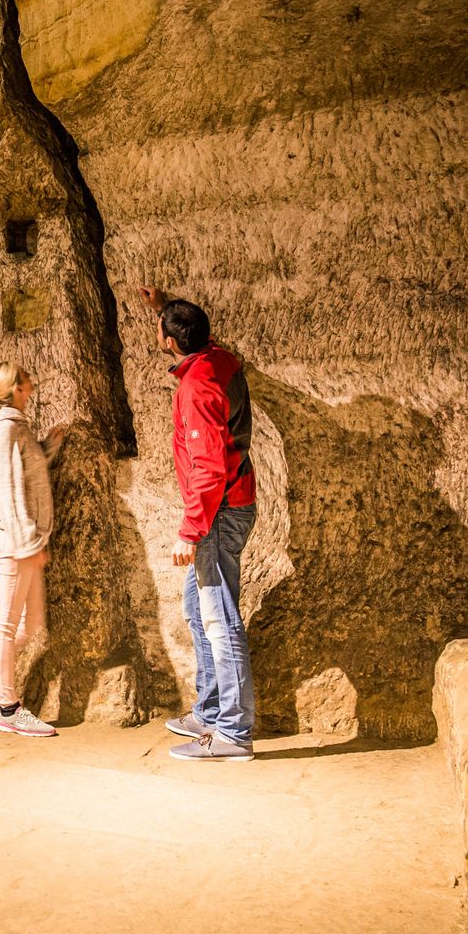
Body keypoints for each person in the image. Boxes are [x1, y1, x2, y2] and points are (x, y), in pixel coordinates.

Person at [139, 287, 259, 761]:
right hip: (226, 505)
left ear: (170, 342)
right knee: (196, 607)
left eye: (162, 329)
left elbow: (208, 467)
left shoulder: (197, 387)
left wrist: (190, 531)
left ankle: (232, 733)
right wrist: (166, 308)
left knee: (219, 618)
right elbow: (197, 337)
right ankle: (209, 712)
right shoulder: (219, 359)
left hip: (218, 511)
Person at [0, 362, 66, 737]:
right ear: (16, 390)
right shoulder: (7, 430)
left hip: (26, 540)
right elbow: (7, 492)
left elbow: (26, 472)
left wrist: (47, 447)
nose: (33, 386)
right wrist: (26, 544)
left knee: (30, 624)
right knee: (7, 625)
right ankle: (8, 708)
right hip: (15, 540)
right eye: (27, 382)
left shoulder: (17, 428)